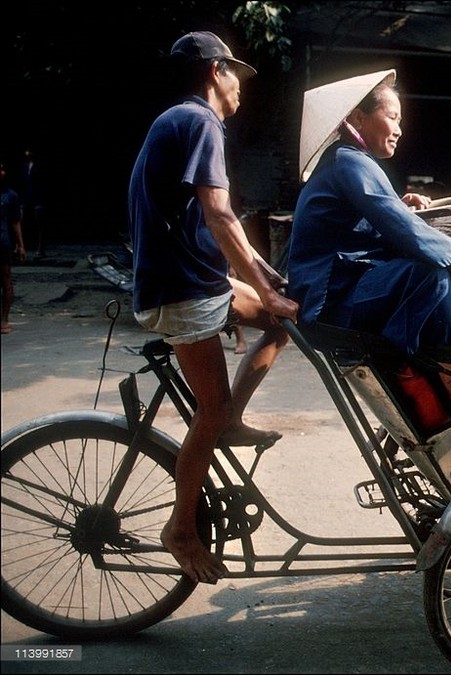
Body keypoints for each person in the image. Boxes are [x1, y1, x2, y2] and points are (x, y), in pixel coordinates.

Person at [128, 31, 300, 583]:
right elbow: (219, 215)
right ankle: (181, 527)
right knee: (209, 405)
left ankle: (230, 420)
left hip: (191, 279)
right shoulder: (199, 121)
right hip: (180, 291)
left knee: (278, 323)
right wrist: (262, 284)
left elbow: (221, 225)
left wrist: (264, 277)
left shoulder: (183, 119)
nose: (240, 88)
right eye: (235, 75)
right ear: (214, 72)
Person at [287, 69, 451, 411]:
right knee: (428, 273)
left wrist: (399, 204)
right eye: (392, 117)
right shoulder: (350, 162)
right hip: (329, 304)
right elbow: (408, 234)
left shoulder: (347, 161)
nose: (399, 129)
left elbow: (374, 222)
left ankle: (435, 363)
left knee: (430, 270)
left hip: (340, 290)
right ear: (357, 118)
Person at [1, 161, 27, 334]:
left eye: (3, 169)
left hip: (3, 243)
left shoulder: (10, 196)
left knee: (6, 280)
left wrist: (21, 246)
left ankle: (4, 319)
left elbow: (15, 223)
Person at [19, 148, 45, 259]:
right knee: (21, 222)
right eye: (27, 151)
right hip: (26, 197)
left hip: (38, 197)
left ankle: (40, 249)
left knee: (40, 224)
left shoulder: (40, 165)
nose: (28, 153)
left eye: (30, 151)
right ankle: (20, 247)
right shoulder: (24, 165)